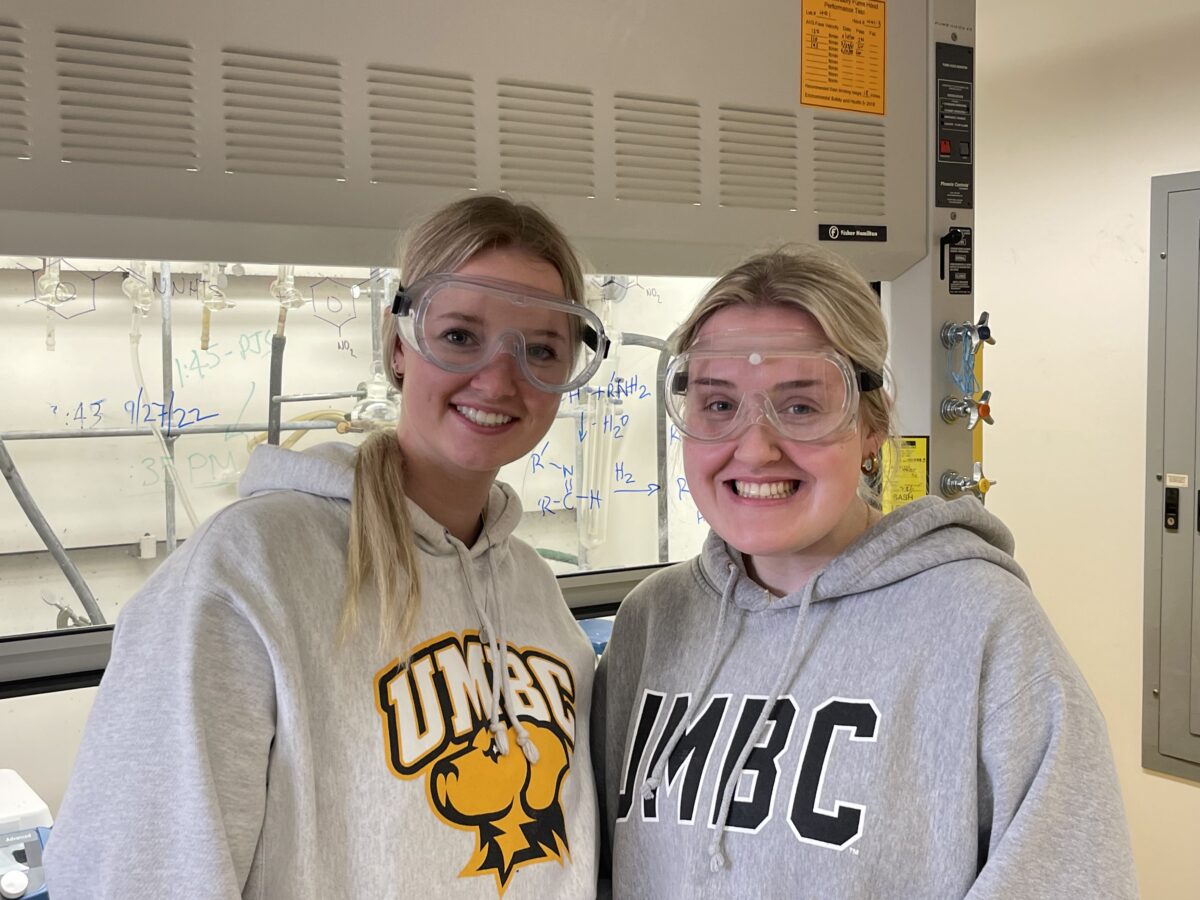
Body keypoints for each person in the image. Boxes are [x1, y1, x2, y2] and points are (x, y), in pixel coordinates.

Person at [47, 195, 608, 899]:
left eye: (541, 350)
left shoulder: (534, 592)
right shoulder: (251, 570)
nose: (498, 377)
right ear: (401, 346)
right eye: (461, 336)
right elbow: (134, 871)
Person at [591, 246, 1137, 898]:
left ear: (871, 425)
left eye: (799, 407)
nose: (755, 447)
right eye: (717, 405)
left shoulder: (981, 628)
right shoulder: (653, 621)